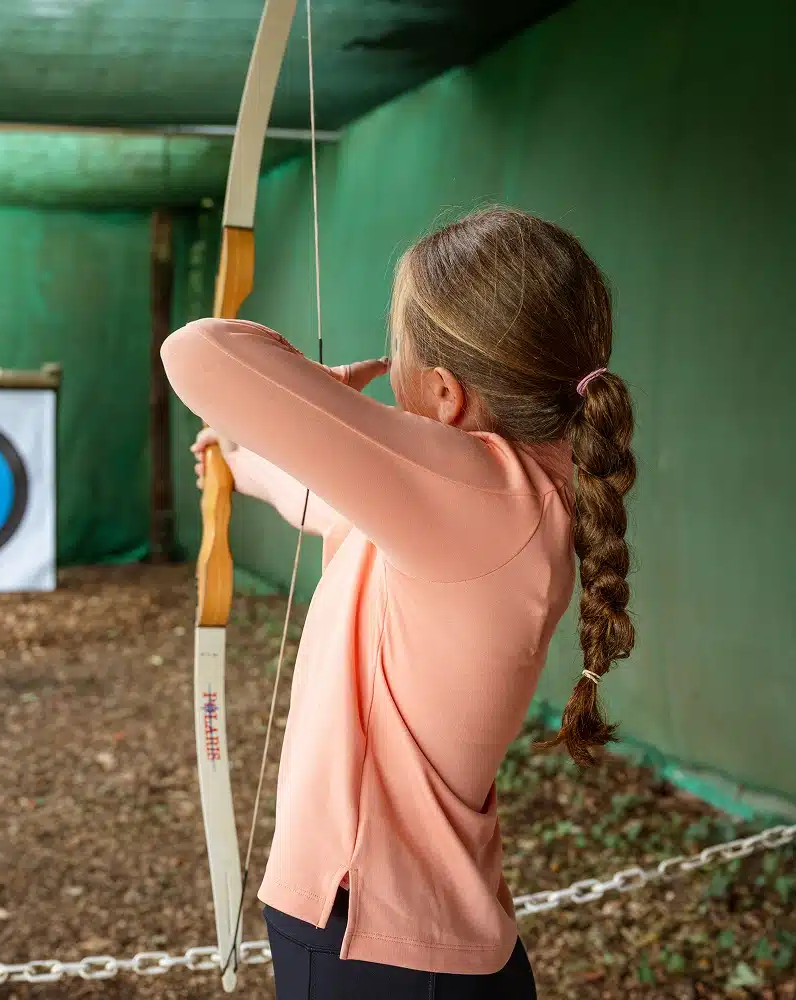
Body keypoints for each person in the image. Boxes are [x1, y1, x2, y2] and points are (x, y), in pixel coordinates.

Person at [161, 206, 637, 1000]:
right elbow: (332, 506)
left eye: (404, 351)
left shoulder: (480, 494)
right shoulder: (516, 493)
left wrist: (313, 397)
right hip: (430, 941)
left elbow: (198, 351)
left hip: (369, 944)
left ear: (446, 394)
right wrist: (241, 461)